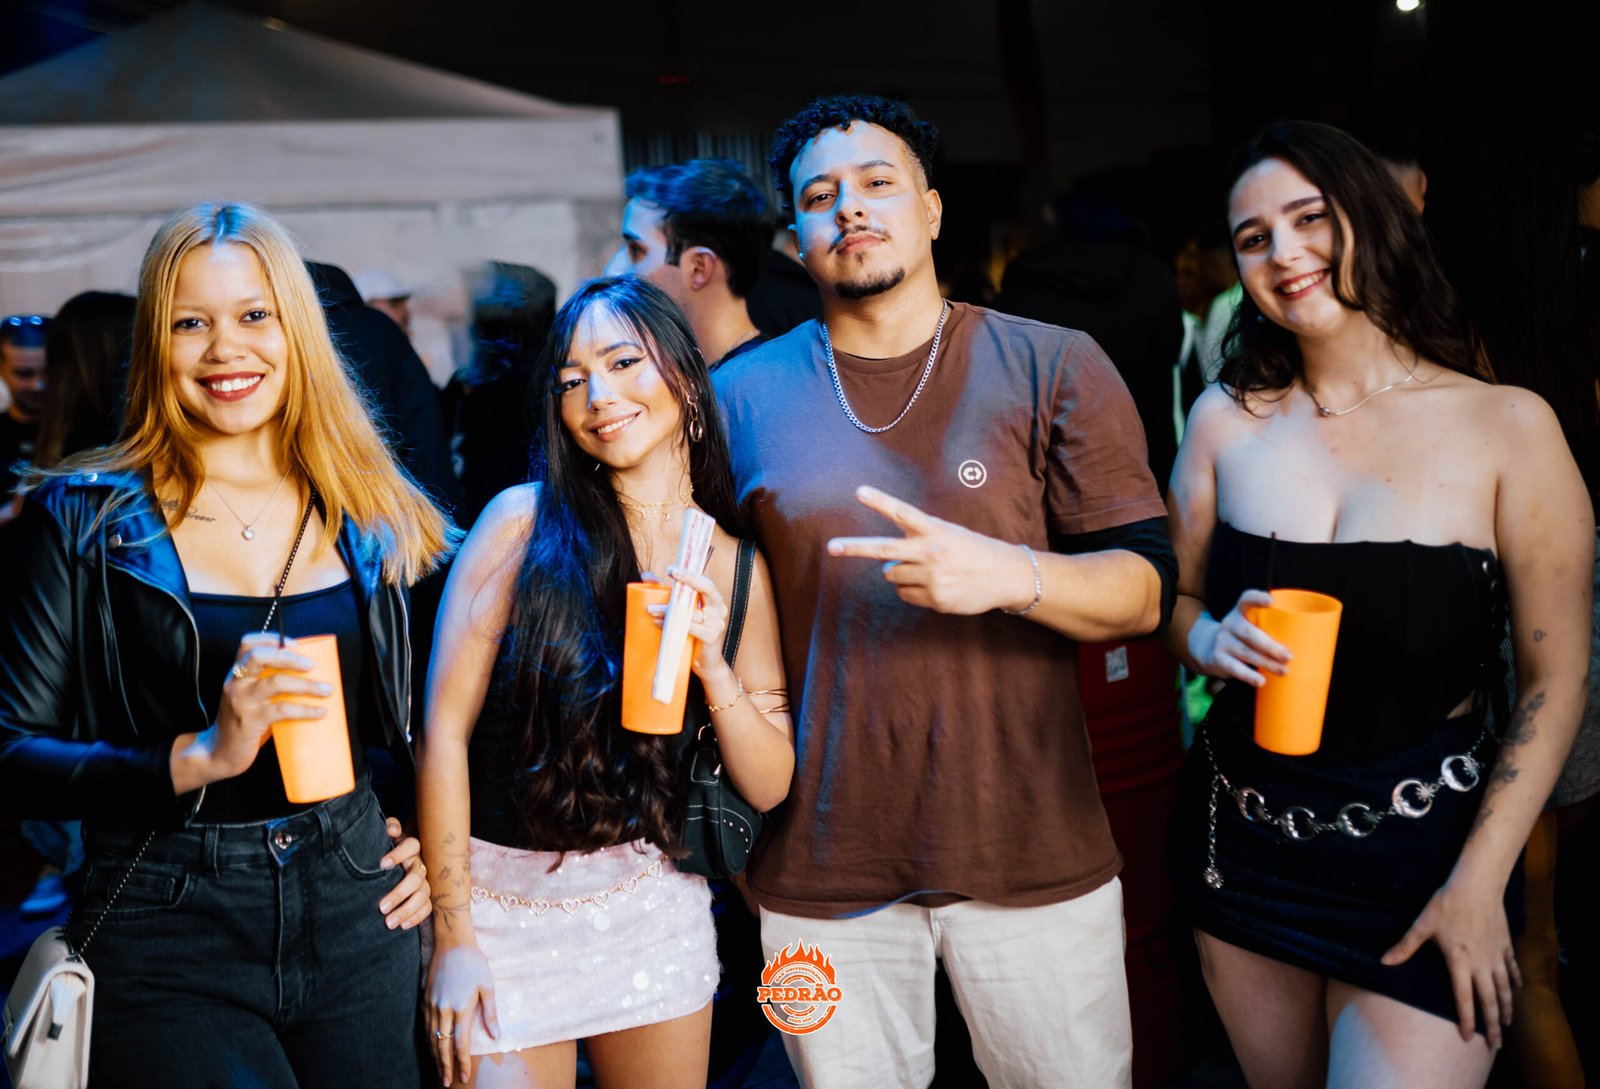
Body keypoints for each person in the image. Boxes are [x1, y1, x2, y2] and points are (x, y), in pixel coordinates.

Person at [714, 94, 1176, 1089]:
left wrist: (1011, 575)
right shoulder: (737, 395)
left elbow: (1144, 592)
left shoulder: (1052, 362)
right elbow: (709, 607)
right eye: (819, 196)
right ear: (795, 238)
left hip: (1031, 848)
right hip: (815, 870)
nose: (850, 207)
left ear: (929, 210)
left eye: (878, 183)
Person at [1164, 121, 1592, 1089]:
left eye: (1309, 218)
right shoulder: (1224, 419)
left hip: (1431, 855)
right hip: (1244, 845)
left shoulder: (1508, 425)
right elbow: (1171, 596)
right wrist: (1207, 636)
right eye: (1253, 237)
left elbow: (1555, 680)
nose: (1283, 252)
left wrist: (1481, 883)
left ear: (1372, 218)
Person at [0, 201, 456, 1087]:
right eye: (190, 323)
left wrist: (425, 845)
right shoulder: (85, 517)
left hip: (357, 896)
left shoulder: (367, 510)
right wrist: (201, 754)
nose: (225, 348)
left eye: (254, 315)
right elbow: (12, 752)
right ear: (156, 342)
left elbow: (434, 716)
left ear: (297, 331)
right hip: (166, 912)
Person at [418, 275, 793, 1088]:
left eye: (623, 363)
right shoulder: (521, 525)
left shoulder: (734, 568)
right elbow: (442, 732)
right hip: (499, 914)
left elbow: (769, 781)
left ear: (684, 376)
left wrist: (712, 666)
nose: (598, 396)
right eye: (572, 380)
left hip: (651, 911)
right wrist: (453, 935)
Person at [604, 159, 771, 369]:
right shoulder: (688, 373)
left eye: (636, 250)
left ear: (699, 268)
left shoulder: (758, 381)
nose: (614, 270)